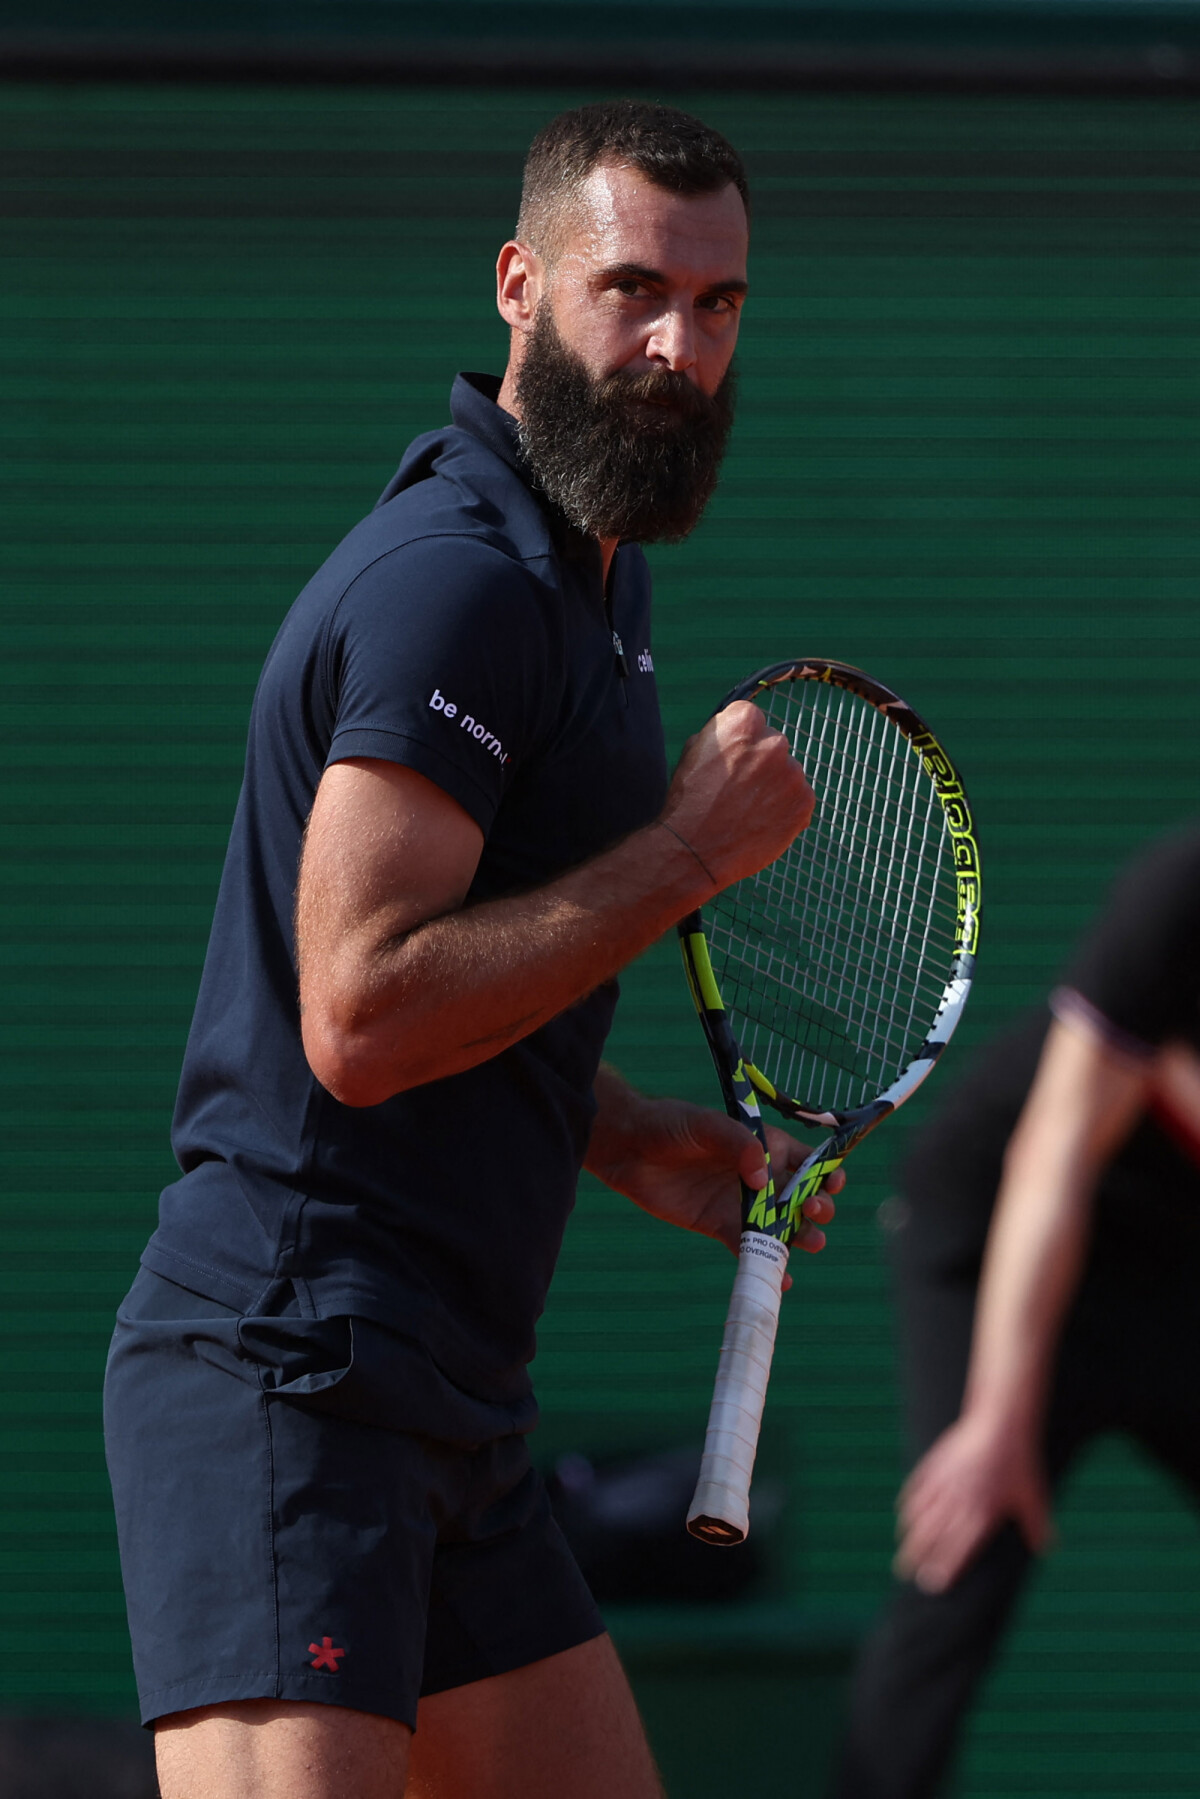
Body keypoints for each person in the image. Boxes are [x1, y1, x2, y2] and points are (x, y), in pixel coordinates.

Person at [103, 101, 841, 1799]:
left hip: (451, 1408)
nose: (676, 344)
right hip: (291, 1375)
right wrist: (681, 857)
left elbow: (455, 982)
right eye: (631, 287)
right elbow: (357, 1010)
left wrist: (626, 1125)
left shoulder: (593, 582)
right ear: (519, 285)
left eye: (718, 305)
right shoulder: (459, 584)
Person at [831, 824, 1200, 1799]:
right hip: (998, 1230)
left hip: (1177, 1265)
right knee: (968, 1534)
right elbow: (1054, 1157)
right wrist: (997, 1418)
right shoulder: (1180, 893)